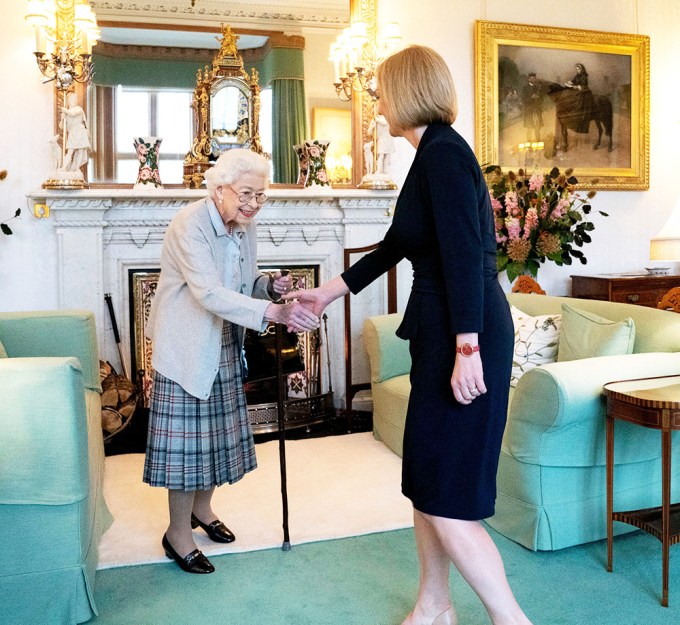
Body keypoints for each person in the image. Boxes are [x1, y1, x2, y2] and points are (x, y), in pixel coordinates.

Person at [283, 46, 533, 625]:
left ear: (407, 91)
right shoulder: (429, 157)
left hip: (461, 334)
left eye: (380, 90)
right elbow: (398, 245)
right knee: (427, 481)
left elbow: (466, 257)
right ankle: (434, 606)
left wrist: (466, 348)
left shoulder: (444, 154)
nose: (375, 101)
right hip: (441, 331)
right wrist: (328, 292)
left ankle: (511, 619)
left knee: (446, 495)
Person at [143, 149, 319, 574]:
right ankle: (177, 535)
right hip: (186, 344)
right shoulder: (189, 225)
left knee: (214, 440)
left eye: (261, 195)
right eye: (246, 194)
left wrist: (266, 286)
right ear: (219, 189)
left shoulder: (244, 226)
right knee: (187, 449)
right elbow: (207, 292)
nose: (253, 204)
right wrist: (273, 313)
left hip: (223, 339)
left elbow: (239, 283)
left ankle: (202, 512)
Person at [60, 92, 92, 172]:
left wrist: (65, 111)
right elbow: (61, 127)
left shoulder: (78, 109)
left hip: (80, 132)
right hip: (72, 133)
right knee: (70, 151)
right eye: (72, 99)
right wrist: (62, 118)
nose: (74, 100)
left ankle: (76, 168)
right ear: (68, 101)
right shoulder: (66, 112)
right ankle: (64, 167)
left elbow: (73, 114)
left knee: (81, 151)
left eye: (75, 99)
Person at [564, 62, 595, 133]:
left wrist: (574, 86)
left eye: (578, 69)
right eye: (576, 69)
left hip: (585, 92)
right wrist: (568, 83)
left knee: (580, 102)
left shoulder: (584, 76)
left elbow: (582, 86)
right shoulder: (577, 75)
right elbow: (573, 81)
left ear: (581, 69)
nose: (577, 70)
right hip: (578, 91)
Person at [521, 72, 543, 141]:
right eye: (532, 78)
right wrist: (531, 97)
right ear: (529, 79)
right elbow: (523, 100)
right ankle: (529, 143)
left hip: (536, 110)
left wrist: (539, 98)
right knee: (529, 128)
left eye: (535, 78)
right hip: (529, 111)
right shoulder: (525, 88)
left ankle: (538, 142)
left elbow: (542, 100)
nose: (534, 80)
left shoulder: (537, 88)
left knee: (537, 128)